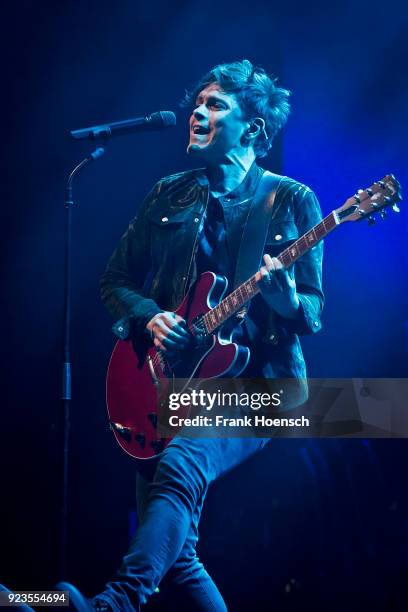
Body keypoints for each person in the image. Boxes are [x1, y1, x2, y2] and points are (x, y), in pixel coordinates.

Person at [59, 59, 324, 611]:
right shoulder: (169, 194)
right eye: (197, 103)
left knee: (182, 467)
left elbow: (312, 314)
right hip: (168, 384)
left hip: (260, 387)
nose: (197, 113)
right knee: (177, 556)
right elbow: (114, 280)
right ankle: (40, 601)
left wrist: (285, 300)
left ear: (252, 128)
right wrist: (148, 316)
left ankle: (112, 605)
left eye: (215, 105)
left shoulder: (291, 198)